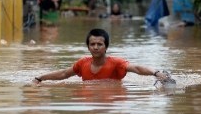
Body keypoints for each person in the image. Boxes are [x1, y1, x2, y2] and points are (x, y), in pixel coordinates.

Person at [32, 28, 171, 84]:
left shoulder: (116, 63)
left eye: (100, 44)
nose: (96, 47)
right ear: (88, 47)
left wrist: (156, 72)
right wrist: (40, 78)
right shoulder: (82, 63)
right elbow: (63, 74)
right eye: (92, 44)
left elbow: (136, 68)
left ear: (106, 47)